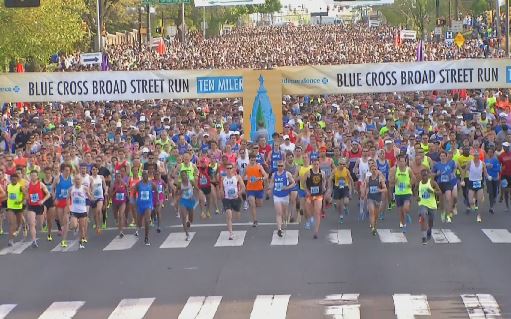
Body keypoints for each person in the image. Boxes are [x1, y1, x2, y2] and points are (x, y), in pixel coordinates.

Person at [268, 160, 296, 237]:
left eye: (281, 166)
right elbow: (272, 183)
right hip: (276, 195)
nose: (280, 167)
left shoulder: (287, 174)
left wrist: (287, 187)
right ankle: (279, 229)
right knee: (279, 213)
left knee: (284, 213)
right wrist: (269, 189)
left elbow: (293, 183)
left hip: (285, 195)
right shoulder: (274, 174)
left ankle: (285, 220)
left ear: (284, 166)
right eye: (279, 166)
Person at [219, 163, 245, 240]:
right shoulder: (223, 178)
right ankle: (231, 233)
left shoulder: (237, 177)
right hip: (227, 199)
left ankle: (234, 211)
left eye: (230, 168)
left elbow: (243, 187)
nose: (229, 170)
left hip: (236, 198)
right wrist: (222, 197)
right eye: (227, 168)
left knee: (237, 216)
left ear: (233, 169)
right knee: (229, 215)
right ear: (225, 170)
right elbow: (221, 189)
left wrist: (239, 192)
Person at [390, 154, 415, 232]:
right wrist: (395, 181)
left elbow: (414, 178)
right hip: (398, 193)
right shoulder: (394, 170)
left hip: (407, 192)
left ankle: (406, 216)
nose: (401, 163)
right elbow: (391, 181)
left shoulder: (408, 169)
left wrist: (410, 184)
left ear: (405, 162)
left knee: (406, 207)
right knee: (400, 211)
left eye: (403, 161)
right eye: (400, 161)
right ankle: (402, 223)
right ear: (397, 162)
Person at [25, 170, 50, 248]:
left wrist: (42, 200)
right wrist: (26, 196)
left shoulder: (41, 184)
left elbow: (48, 194)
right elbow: (26, 196)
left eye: (34, 175)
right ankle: (34, 241)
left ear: (37, 176)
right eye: (31, 175)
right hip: (31, 206)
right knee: (31, 224)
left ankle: (43, 222)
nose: (33, 177)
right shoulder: (28, 185)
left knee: (40, 225)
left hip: (39, 206)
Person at [417, 168, 441, 244]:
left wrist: (433, 191)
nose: (424, 177)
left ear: (428, 175)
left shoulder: (432, 183)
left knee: (431, 222)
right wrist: (417, 197)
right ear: (421, 176)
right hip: (422, 204)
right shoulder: (419, 183)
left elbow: (440, 192)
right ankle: (424, 237)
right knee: (423, 216)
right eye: (423, 175)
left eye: (426, 175)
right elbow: (414, 191)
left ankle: (429, 230)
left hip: (432, 205)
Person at [432, 151, 457, 223]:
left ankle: (448, 215)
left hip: (448, 183)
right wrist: (437, 174)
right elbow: (432, 174)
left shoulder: (450, 163)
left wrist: (453, 174)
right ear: (440, 157)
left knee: (448, 199)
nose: (442, 157)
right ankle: (442, 213)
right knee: (442, 202)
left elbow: (455, 168)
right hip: (440, 184)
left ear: (446, 156)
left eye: (444, 156)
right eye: (441, 156)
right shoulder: (437, 165)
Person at [68, 174, 92, 249]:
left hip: (82, 211)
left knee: (82, 228)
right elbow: (67, 198)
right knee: (73, 226)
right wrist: (68, 207)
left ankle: (81, 242)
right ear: (74, 180)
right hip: (74, 210)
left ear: (81, 180)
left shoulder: (84, 188)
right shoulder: (71, 189)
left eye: (79, 179)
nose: (77, 181)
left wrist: (90, 196)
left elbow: (89, 197)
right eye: (76, 179)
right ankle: (76, 226)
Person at [462, 155, 488, 223]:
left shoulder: (482, 163)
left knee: (480, 201)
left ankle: (479, 216)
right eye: (475, 156)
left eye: (477, 156)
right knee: (470, 201)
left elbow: (485, 172)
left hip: (479, 183)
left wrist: (488, 177)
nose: (476, 157)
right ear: (473, 156)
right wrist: (462, 180)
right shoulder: (470, 163)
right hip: (471, 182)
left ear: (479, 157)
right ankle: (473, 201)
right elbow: (464, 171)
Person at [304, 158, 326, 239]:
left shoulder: (322, 173)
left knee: (317, 212)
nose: (316, 166)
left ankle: (316, 231)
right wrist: (306, 190)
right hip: (310, 194)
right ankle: (310, 218)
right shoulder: (308, 173)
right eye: (314, 164)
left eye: (317, 164)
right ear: (312, 164)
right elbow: (303, 183)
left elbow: (324, 181)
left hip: (318, 195)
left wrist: (323, 187)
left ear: (319, 164)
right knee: (308, 209)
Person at [244, 153, 268, 227]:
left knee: (259, 204)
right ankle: (255, 220)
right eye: (251, 160)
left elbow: (266, 176)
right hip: (250, 189)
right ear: (249, 160)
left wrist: (259, 178)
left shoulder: (259, 167)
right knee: (253, 205)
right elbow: (243, 176)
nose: (253, 161)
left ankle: (252, 202)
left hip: (259, 188)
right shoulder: (247, 167)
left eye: (254, 160)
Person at [363, 161, 386, 235]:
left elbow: (385, 189)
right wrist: (365, 194)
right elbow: (366, 187)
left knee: (376, 214)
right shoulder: (367, 178)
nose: (374, 171)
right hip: (370, 197)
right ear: (370, 170)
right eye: (372, 169)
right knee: (371, 212)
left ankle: (374, 225)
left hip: (377, 198)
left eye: (375, 169)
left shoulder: (380, 178)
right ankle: (373, 228)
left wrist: (380, 190)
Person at [52, 164, 73, 248]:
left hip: (67, 201)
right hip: (59, 201)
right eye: (65, 170)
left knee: (65, 219)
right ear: (62, 171)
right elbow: (52, 189)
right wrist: (54, 198)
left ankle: (63, 240)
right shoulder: (57, 178)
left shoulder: (72, 179)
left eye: (68, 170)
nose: (67, 172)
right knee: (62, 222)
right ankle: (65, 227)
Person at [135, 171, 157, 246]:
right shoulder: (138, 184)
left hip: (148, 204)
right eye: (144, 175)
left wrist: (156, 201)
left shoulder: (151, 184)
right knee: (139, 223)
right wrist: (135, 201)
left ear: (148, 176)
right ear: (142, 176)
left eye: (146, 175)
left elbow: (156, 191)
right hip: (140, 205)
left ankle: (146, 237)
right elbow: (134, 192)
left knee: (147, 221)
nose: (145, 176)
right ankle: (138, 228)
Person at [176, 170, 199, 241]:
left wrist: (197, 196)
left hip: (190, 200)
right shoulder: (180, 184)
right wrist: (180, 192)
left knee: (191, 218)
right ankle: (187, 234)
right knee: (183, 217)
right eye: (182, 175)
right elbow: (176, 192)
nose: (183, 177)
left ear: (187, 175)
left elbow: (197, 189)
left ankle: (189, 221)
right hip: (183, 201)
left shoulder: (191, 181)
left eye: (184, 175)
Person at [332, 158, 353, 224]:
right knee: (338, 205)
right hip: (337, 188)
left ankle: (345, 207)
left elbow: (351, 179)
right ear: (338, 164)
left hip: (345, 187)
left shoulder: (346, 170)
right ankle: (341, 216)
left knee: (346, 201)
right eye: (340, 164)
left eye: (343, 164)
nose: (342, 165)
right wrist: (329, 189)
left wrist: (352, 189)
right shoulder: (335, 170)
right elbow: (330, 179)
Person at [6, 173, 24, 247]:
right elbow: (7, 194)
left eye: (15, 179)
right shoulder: (8, 186)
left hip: (18, 208)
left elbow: (25, 195)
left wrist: (20, 201)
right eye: (12, 179)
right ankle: (10, 240)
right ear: (10, 179)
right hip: (10, 207)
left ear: (17, 179)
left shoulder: (20, 187)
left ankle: (18, 229)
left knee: (18, 224)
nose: (13, 180)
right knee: (12, 224)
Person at [110, 171, 129, 238]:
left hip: (122, 202)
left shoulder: (124, 184)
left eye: (120, 177)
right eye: (117, 177)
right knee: (116, 216)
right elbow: (111, 195)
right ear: (115, 178)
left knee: (121, 215)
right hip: (115, 202)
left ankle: (121, 231)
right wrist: (115, 190)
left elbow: (127, 191)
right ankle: (116, 220)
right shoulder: (113, 185)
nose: (119, 178)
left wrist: (127, 197)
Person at [90, 164, 107, 235]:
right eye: (93, 169)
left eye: (96, 169)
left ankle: (98, 226)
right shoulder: (89, 178)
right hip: (93, 198)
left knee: (99, 210)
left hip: (100, 197)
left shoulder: (101, 177)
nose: (94, 171)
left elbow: (104, 186)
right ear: (91, 170)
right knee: (94, 214)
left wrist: (105, 191)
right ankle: (97, 224)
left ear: (98, 170)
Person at [485, 147, 501, 214]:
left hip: (495, 178)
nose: (490, 153)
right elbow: (484, 169)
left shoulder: (495, 160)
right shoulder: (486, 160)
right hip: (488, 178)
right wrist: (486, 167)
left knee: (495, 192)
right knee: (491, 192)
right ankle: (491, 207)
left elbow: (498, 169)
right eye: (489, 152)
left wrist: (492, 167)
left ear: (493, 153)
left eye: (491, 152)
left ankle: (494, 199)